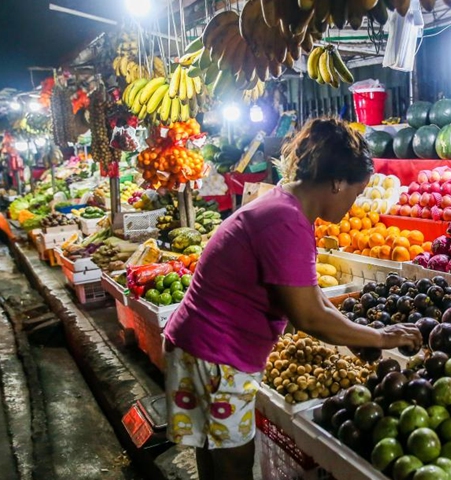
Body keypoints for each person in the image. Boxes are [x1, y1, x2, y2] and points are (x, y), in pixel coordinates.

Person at [163, 117, 422, 480]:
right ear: (336, 182)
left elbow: (309, 292)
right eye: (356, 192)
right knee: (233, 461)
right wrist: (381, 337)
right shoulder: (284, 221)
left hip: (199, 344)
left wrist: (354, 336)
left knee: (212, 450)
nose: (355, 203)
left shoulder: (286, 207)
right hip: (216, 354)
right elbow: (309, 317)